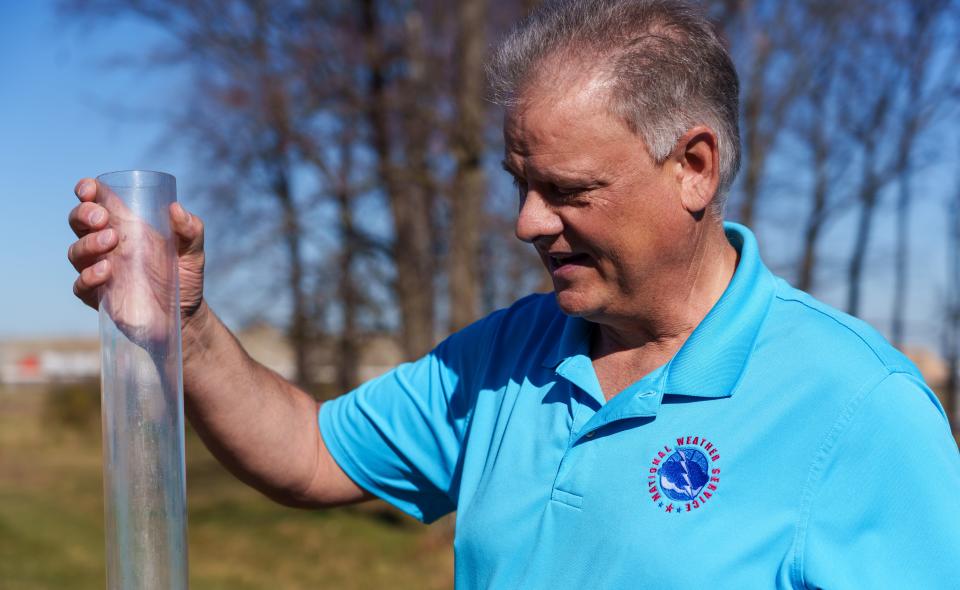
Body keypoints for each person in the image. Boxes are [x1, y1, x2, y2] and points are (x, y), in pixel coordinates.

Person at [68, 0, 960, 587]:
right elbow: (310, 453)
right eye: (518, 184)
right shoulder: (510, 354)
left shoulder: (858, 409)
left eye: (569, 191)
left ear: (694, 167)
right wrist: (187, 327)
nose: (528, 223)